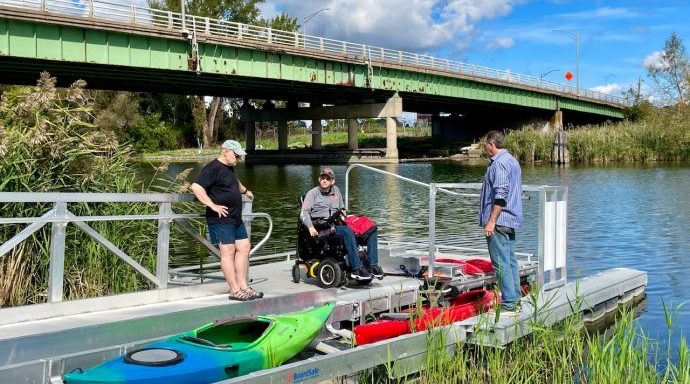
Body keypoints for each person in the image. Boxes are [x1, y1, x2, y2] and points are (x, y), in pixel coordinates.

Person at [190, 140, 262, 301]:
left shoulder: (228, 168)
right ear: (226, 152)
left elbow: (233, 182)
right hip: (221, 218)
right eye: (236, 155)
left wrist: (245, 190)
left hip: (235, 217)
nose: (239, 158)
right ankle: (234, 290)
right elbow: (196, 187)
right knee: (228, 251)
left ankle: (243, 286)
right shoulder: (212, 167)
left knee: (244, 247)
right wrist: (212, 205)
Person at [300, 167, 384, 280]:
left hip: (338, 223)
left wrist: (352, 220)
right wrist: (310, 227)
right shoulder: (313, 193)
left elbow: (342, 209)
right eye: (322, 178)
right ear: (319, 179)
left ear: (332, 181)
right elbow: (304, 213)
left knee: (370, 227)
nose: (324, 180)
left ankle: (373, 264)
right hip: (322, 227)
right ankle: (357, 269)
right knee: (347, 231)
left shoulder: (336, 191)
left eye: (327, 179)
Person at [479, 130, 523, 315]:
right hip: (511, 219)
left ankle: (509, 304)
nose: (485, 148)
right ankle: (516, 300)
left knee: (500, 263)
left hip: (500, 220)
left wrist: (491, 221)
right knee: (510, 261)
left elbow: (501, 195)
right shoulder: (512, 160)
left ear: (491, 144)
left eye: (485, 145)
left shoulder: (499, 164)